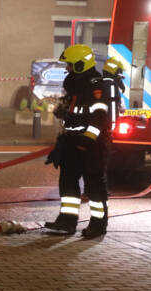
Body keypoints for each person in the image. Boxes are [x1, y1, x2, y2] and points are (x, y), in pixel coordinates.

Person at [45, 44, 112, 239]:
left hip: (92, 146)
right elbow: (70, 110)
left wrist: (87, 140)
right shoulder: (74, 83)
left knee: (94, 187)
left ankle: (98, 226)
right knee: (67, 183)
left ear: (81, 65)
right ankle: (66, 221)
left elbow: (99, 116)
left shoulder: (96, 85)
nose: (67, 69)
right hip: (72, 143)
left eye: (71, 65)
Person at [102, 56, 127, 130]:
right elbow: (112, 108)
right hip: (108, 128)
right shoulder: (112, 86)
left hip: (100, 124)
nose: (120, 79)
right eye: (120, 75)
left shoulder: (102, 82)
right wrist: (112, 128)